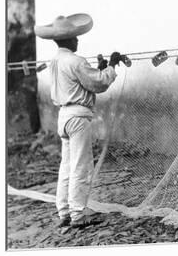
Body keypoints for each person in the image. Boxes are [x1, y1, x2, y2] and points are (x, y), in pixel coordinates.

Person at [34, 14, 121, 228]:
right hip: (78, 116)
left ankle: (64, 211)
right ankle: (77, 214)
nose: (78, 40)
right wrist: (111, 66)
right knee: (81, 166)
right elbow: (98, 83)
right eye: (75, 37)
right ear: (69, 40)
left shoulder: (54, 61)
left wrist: (99, 67)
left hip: (63, 115)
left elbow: (82, 81)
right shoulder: (76, 61)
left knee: (67, 166)